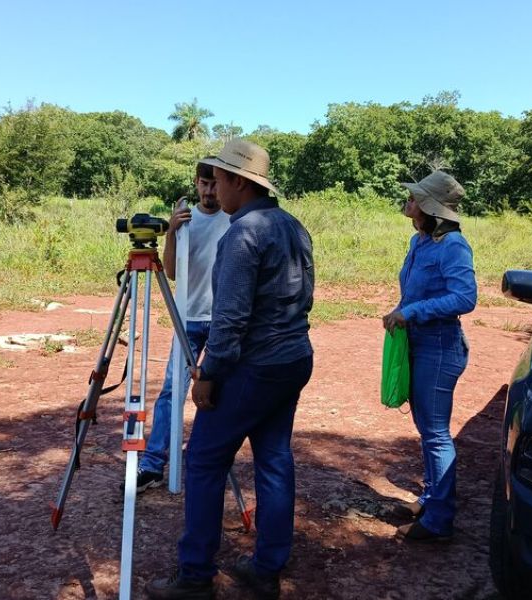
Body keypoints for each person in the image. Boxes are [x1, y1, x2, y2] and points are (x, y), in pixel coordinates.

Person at [146, 139, 314, 600]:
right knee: (274, 459)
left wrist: (209, 374)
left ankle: (196, 575)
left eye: (219, 178)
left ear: (240, 182)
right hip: (293, 357)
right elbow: (303, 299)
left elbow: (231, 316)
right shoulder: (292, 226)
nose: (213, 187)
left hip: (253, 364)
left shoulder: (243, 233)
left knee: (203, 461)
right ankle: (266, 567)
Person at [382, 170, 477, 542]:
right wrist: (400, 309)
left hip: (439, 346)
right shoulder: (419, 241)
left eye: (415, 197)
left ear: (429, 207)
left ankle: (438, 522)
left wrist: (412, 312)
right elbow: (416, 293)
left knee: (436, 434)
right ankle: (430, 498)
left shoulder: (452, 245)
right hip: (419, 343)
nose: (408, 201)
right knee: (427, 430)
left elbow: (465, 298)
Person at [135, 160, 231, 492]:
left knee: (218, 392)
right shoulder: (186, 219)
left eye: (214, 184)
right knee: (172, 392)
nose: (209, 191)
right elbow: (173, 272)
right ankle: (153, 464)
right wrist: (172, 230)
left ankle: (206, 458)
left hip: (222, 322)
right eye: (204, 184)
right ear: (196, 184)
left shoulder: (234, 219)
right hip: (186, 319)